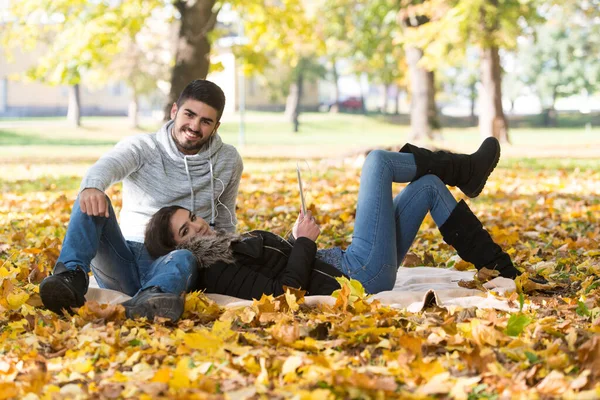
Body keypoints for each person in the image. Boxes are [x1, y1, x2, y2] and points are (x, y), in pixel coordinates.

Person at [144, 138, 520, 302]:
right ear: (177, 249)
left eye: (191, 217)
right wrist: (305, 243)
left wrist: (293, 240)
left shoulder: (224, 244)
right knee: (377, 161)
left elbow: (281, 266)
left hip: (346, 262)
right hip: (357, 277)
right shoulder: (216, 269)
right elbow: (283, 295)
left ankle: (503, 271)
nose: (198, 225)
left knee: (428, 185)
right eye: (185, 230)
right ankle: (466, 169)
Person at [39, 79, 244, 321]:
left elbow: (225, 221)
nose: (194, 126)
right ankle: (69, 277)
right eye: (189, 115)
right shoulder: (144, 147)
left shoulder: (228, 160)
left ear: (216, 126)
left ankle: (152, 299)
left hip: (175, 260)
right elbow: (108, 165)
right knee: (92, 197)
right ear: (175, 111)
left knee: (185, 256)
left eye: (205, 121)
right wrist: (92, 186)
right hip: (123, 255)